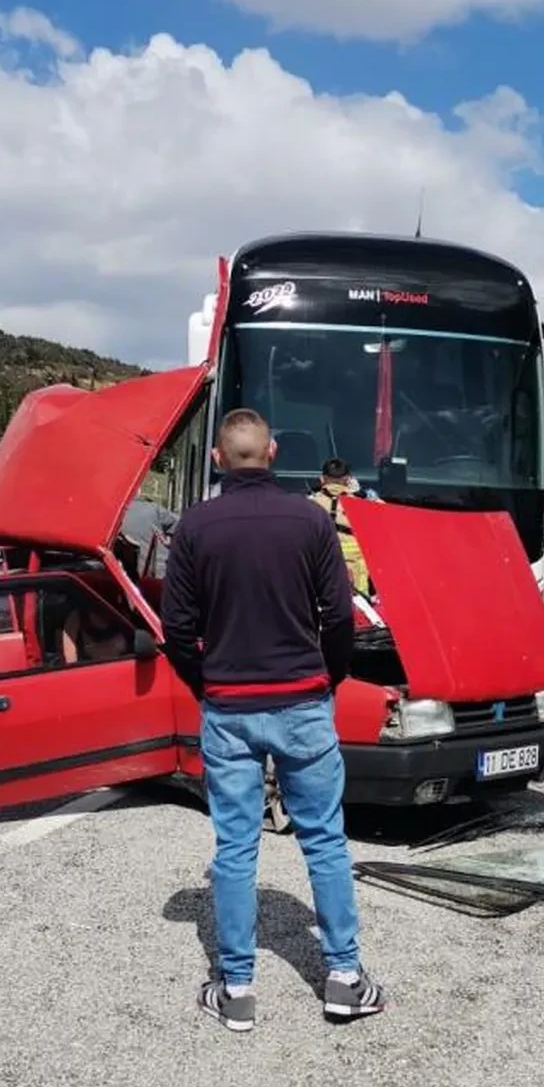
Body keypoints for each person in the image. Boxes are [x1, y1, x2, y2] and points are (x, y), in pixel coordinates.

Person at [162, 408, 385, 1033]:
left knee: (235, 847)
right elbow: (339, 616)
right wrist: (331, 677)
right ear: (273, 451)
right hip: (303, 701)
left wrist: (204, 685)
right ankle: (344, 979)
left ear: (217, 460)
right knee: (325, 840)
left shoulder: (197, 527)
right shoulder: (310, 520)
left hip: (229, 707)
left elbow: (177, 628)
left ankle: (236, 989)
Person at [309, 458, 372, 595]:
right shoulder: (362, 505)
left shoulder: (309, 505)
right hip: (358, 591)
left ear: (321, 479)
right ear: (348, 480)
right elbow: (390, 518)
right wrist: (365, 494)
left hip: (322, 583)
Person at [118, 496, 180, 580]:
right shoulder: (153, 508)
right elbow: (179, 525)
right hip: (157, 572)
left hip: (124, 574)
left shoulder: (116, 512)